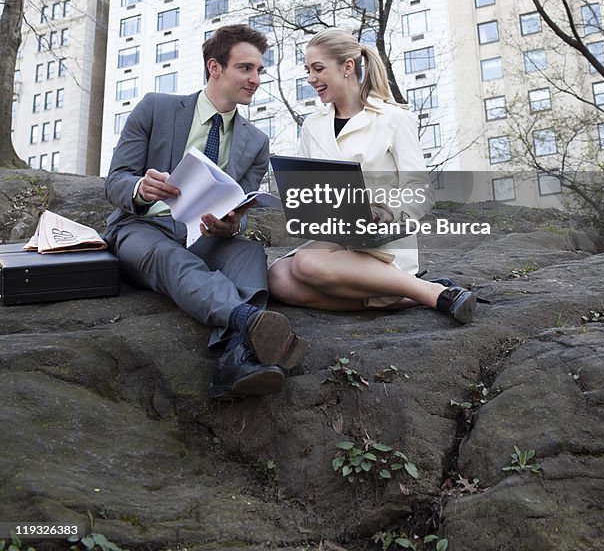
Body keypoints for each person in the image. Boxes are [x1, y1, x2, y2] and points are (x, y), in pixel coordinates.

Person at [104, 23, 308, 401]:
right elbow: (115, 180)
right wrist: (141, 189)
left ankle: (236, 360)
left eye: (260, 70)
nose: (256, 79)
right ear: (215, 68)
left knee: (248, 252)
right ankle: (247, 322)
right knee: (168, 256)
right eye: (245, 68)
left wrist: (232, 224)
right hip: (142, 227)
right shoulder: (156, 108)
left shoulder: (256, 142)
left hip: (203, 236)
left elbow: (241, 204)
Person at [268, 28, 476, 324]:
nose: (311, 79)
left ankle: (433, 294)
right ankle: (400, 300)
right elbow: (305, 187)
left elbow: (419, 189)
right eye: (308, 70)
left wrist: (389, 213)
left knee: (305, 263)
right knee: (277, 277)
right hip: (332, 237)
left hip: (381, 238)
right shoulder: (311, 126)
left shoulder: (393, 118)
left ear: (347, 67)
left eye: (318, 69)